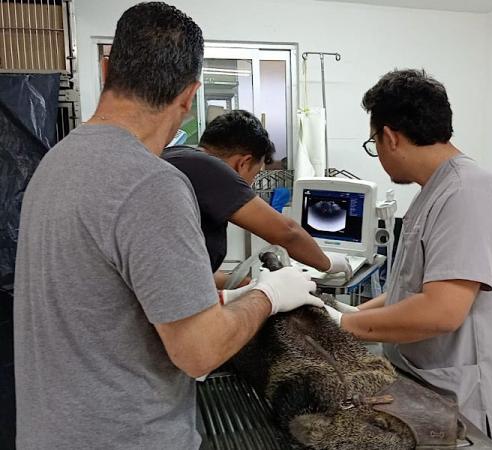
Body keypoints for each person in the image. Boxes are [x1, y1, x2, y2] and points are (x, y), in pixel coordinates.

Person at [12, 3, 322, 449]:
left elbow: (106, 297)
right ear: (190, 94)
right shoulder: (151, 183)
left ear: (105, 68)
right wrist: (268, 295)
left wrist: (222, 295)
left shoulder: (57, 162)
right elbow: (201, 352)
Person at [325, 69, 492, 448]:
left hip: (467, 406)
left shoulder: (468, 194)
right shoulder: (434, 190)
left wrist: (343, 327)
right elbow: (409, 290)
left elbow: (440, 311)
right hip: (429, 389)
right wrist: (342, 311)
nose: (378, 153)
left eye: (373, 143)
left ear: (389, 137)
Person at [162, 110, 351, 290]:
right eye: (254, 174)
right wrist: (329, 264)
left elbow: (191, 274)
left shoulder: (177, 157)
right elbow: (287, 232)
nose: (249, 185)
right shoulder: (208, 167)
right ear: (242, 163)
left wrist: (248, 285)